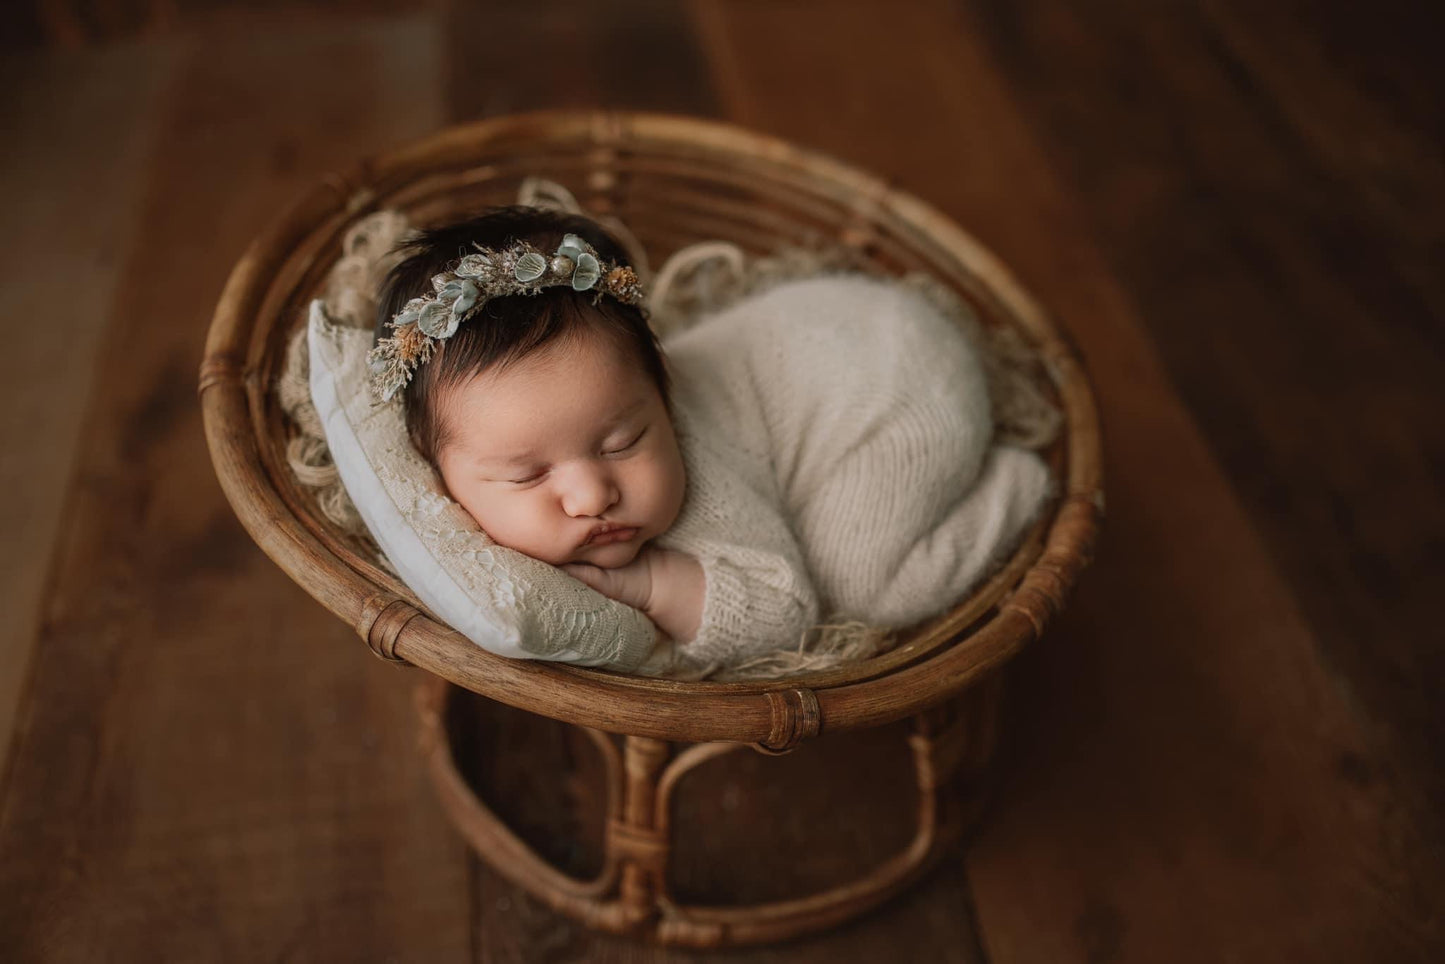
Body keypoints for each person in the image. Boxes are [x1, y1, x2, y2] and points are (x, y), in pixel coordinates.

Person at [370, 206, 1050, 671]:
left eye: (620, 442)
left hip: (897, 398)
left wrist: (650, 582)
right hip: (848, 335)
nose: (592, 495)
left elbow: (787, 611)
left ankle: (1016, 483)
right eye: (527, 475)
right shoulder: (566, 423)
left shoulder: (698, 483)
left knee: (864, 586)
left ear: (660, 389)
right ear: (438, 473)